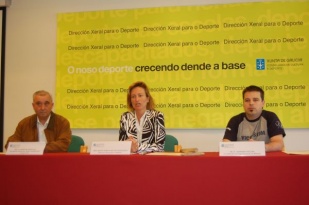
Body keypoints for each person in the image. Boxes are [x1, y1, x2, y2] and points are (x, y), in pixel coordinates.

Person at [223, 85, 285, 152]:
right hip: (243, 160)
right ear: (243, 103)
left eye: (255, 100)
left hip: (266, 160)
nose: (251, 103)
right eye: (247, 100)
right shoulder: (235, 120)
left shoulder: (270, 117)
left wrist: (260, 147)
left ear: (263, 103)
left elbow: (279, 144)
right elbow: (226, 144)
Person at [5, 90, 72, 152]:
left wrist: (36, 148)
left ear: (52, 105)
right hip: (30, 161)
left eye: (46, 104)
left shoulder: (62, 122)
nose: (42, 108)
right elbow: (10, 143)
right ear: (33, 106)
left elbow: (63, 144)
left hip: (54, 161)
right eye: (39, 104)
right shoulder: (24, 123)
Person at [119, 81, 166, 153]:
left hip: (150, 160)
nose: (137, 99)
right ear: (130, 101)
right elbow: (121, 144)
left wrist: (137, 147)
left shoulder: (157, 116)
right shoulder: (125, 117)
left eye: (140, 95)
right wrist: (128, 145)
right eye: (133, 97)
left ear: (147, 99)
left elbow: (160, 146)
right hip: (131, 160)